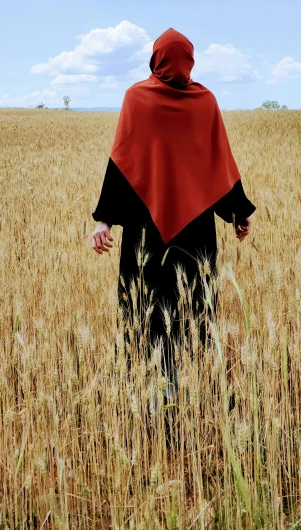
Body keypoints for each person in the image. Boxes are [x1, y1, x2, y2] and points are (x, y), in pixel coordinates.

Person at [91, 28, 255, 371]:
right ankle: (193, 379)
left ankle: (143, 378)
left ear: (155, 58)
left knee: (143, 306)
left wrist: (105, 220)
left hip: (145, 229)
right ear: (190, 61)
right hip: (196, 232)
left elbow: (121, 163)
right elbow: (219, 162)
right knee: (194, 305)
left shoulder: (136, 97)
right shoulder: (205, 100)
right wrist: (238, 211)